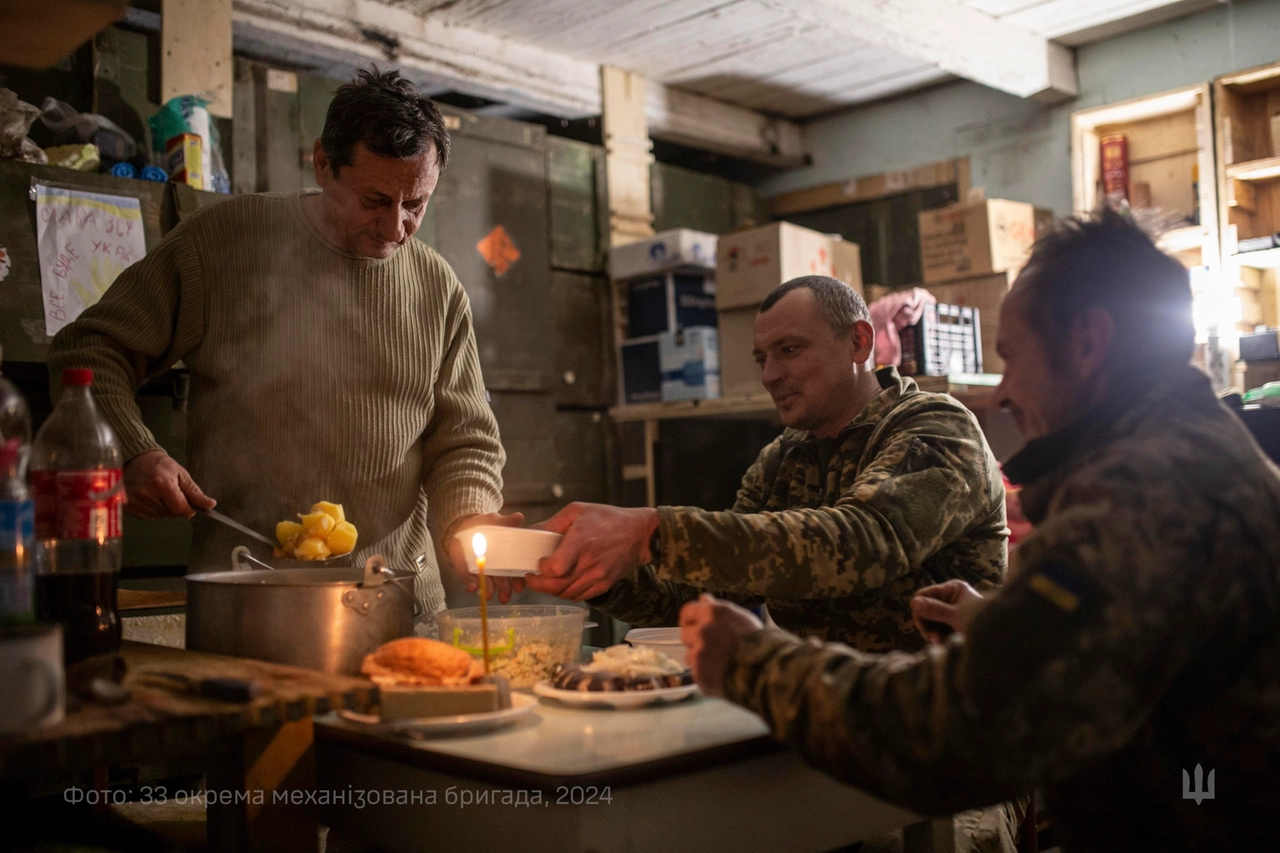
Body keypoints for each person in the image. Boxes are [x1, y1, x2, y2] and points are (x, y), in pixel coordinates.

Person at [681, 210, 1280, 851]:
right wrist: (1005, 623)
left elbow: (954, 735)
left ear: (1086, 343)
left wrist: (749, 661)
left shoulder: (1142, 498)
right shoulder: (1184, 457)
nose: (1001, 392)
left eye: (1013, 357)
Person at [47, 69, 520, 627]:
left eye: (415, 204)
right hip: (247, 603)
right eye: (375, 200)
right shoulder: (222, 242)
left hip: (399, 606)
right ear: (322, 163)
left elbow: (464, 439)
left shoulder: (437, 286)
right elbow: (89, 349)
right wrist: (133, 450)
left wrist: (467, 520)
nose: (395, 227)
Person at [529, 276, 1007, 653]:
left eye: (790, 350)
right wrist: (583, 565)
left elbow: (864, 543)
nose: (770, 375)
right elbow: (707, 593)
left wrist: (652, 531)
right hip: (824, 713)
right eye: (762, 357)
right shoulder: (785, 457)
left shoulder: (936, 428)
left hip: (940, 722)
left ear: (859, 344)